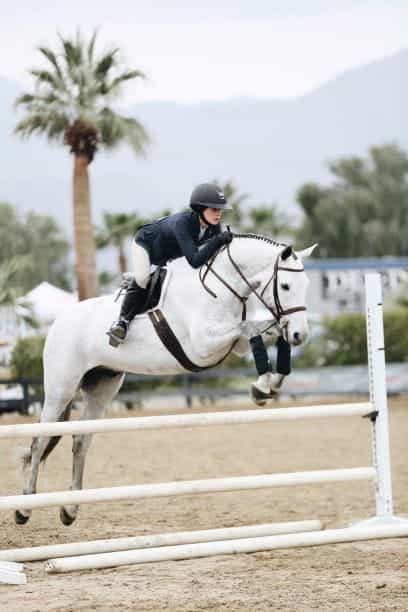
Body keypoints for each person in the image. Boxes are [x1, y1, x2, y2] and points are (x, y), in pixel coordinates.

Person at [107, 182, 233, 346]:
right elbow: (195, 261)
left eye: (220, 210)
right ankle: (122, 322)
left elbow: (213, 255)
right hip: (145, 245)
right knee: (143, 278)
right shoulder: (182, 223)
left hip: (166, 256)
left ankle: (138, 281)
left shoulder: (213, 228)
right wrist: (218, 241)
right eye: (214, 209)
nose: (219, 214)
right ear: (200, 209)